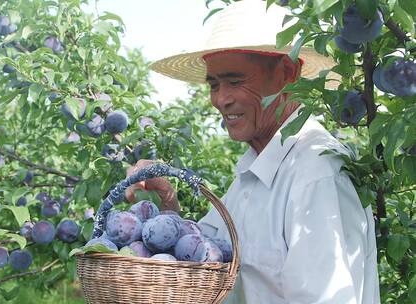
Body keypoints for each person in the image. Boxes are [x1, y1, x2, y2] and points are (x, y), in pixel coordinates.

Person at [125, 1, 380, 303]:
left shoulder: (315, 174)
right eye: (214, 84)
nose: (221, 99)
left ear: (287, 72)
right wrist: (167, 201)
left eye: (235, 81)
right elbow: (201, 255)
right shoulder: (252, 173)